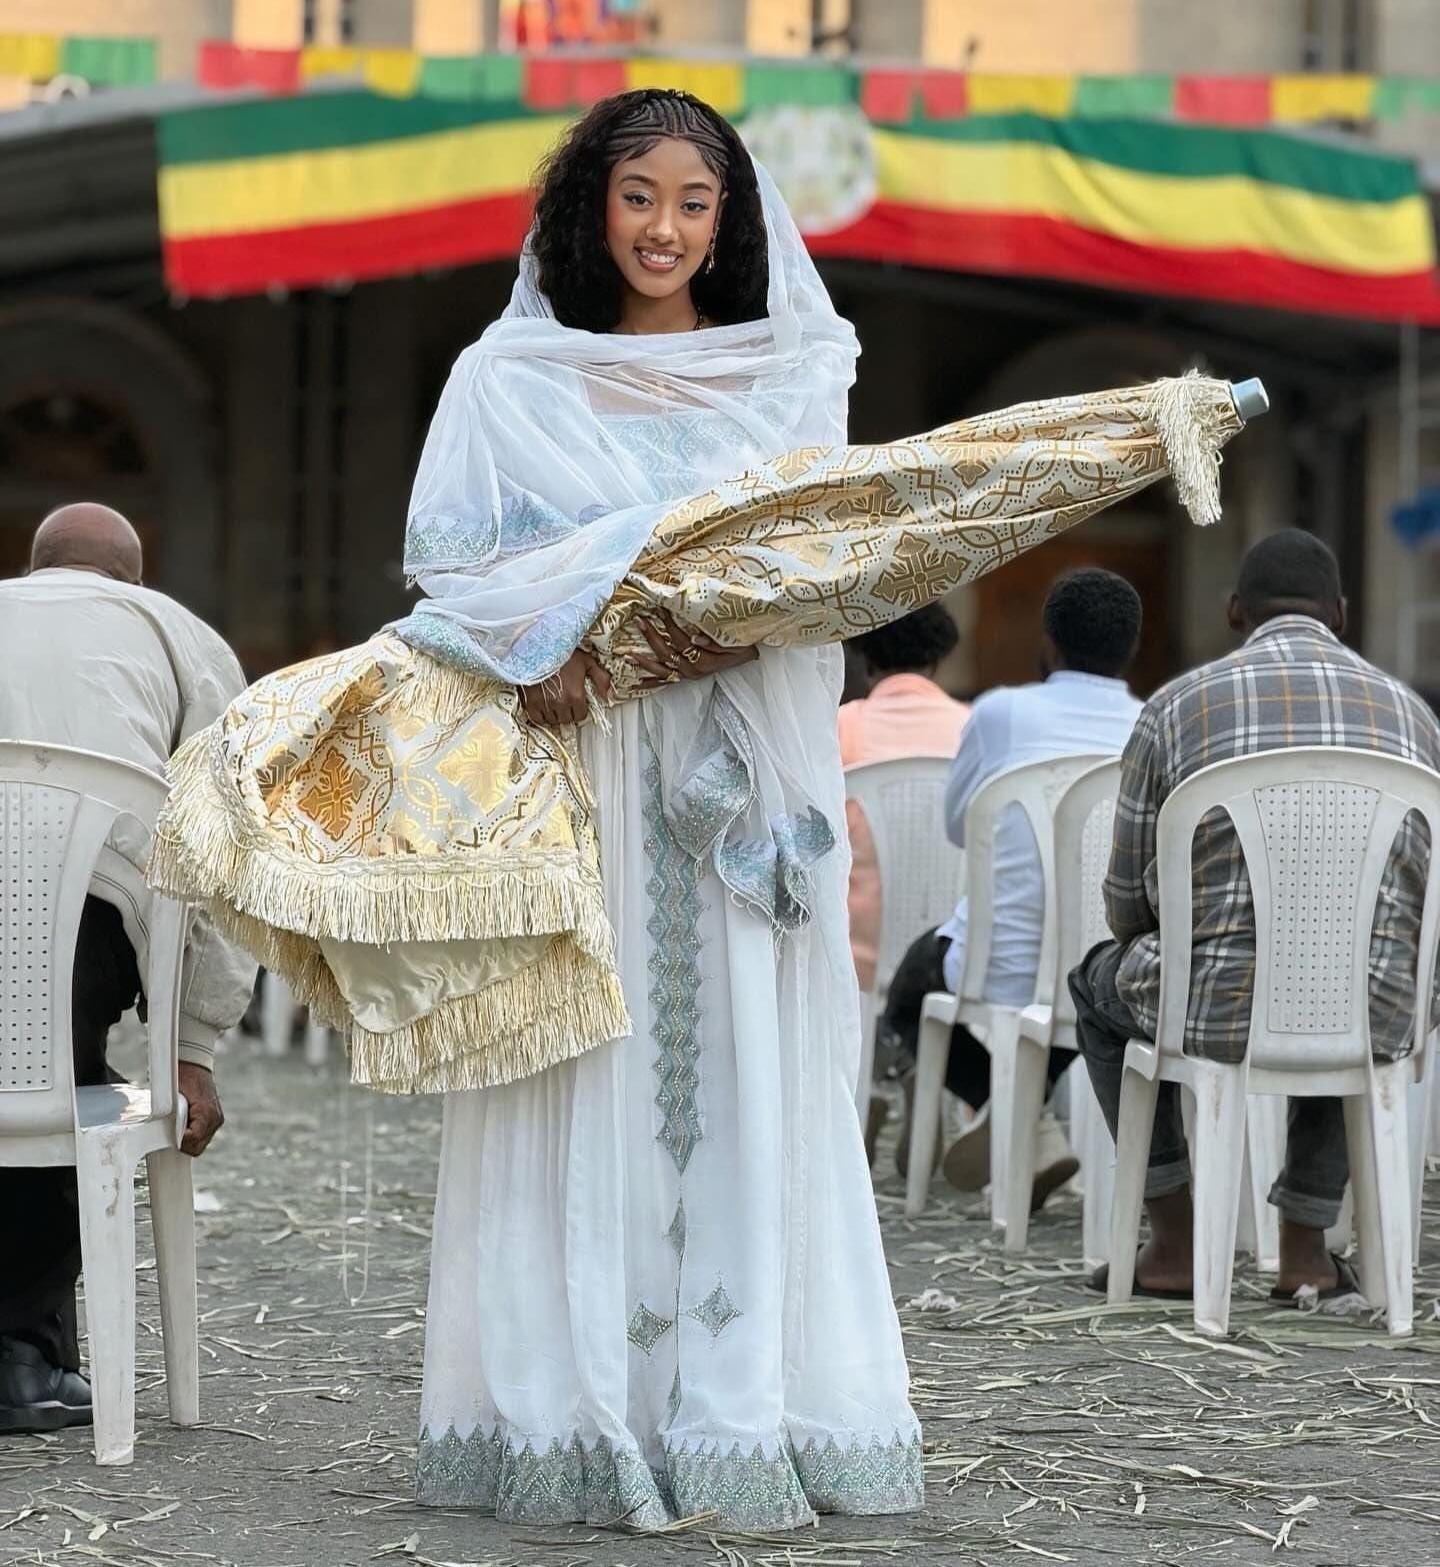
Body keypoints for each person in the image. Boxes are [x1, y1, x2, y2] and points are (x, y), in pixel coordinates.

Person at [407, 91, 923, 1529]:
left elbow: (821, 572)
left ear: (733, 221)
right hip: (582, 774)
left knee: (743, 1068)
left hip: (731, 774)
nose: (665, 229)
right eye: (640, 196)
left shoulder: (788, 375)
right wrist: (549, 654)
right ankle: (574, 1406)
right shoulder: (508, 379)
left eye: (695, 203)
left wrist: (710, 638)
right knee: (581, 1067)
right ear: (591, 205)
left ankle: (734, 1403)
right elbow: (450, 579)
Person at [1069, 529, 1440, 1301]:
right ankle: (1306, 1247)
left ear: (1236, 610)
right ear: (1340, 612)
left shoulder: (1176, 707)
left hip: (1208, 1006)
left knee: (1093, 985)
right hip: (1374, 1012)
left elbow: (1128, 905)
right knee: (1368, 975)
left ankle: (1174, 1239)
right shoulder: (1414, 719)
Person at [0, 504, 256, 1432]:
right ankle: (23, 1358)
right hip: (76, 945)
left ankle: (23, 1350)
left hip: (51, 961)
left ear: (34, 570)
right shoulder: (180, 639)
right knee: (62, 1090)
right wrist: (189, 1050)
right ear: (131, 582)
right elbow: (226, 852)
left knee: (39, 1077)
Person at [882, 569, 1143, 1202]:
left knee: (908, 995)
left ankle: (1012, 1112)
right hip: (1110, 971)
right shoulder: (1149, 724)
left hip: (997, 964)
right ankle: (1032, 1120)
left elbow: (959, 828)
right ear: (1131, 649)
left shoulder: (1000, 714)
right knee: (1084, 1012)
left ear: (1048, 642)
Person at [837, 607, 970, 1160]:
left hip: (858, 948)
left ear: (865, 659)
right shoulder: (972, 726)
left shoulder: (842, 725)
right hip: (948, 947)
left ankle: (858, 1088)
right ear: (939, 660)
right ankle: (920, 1070)